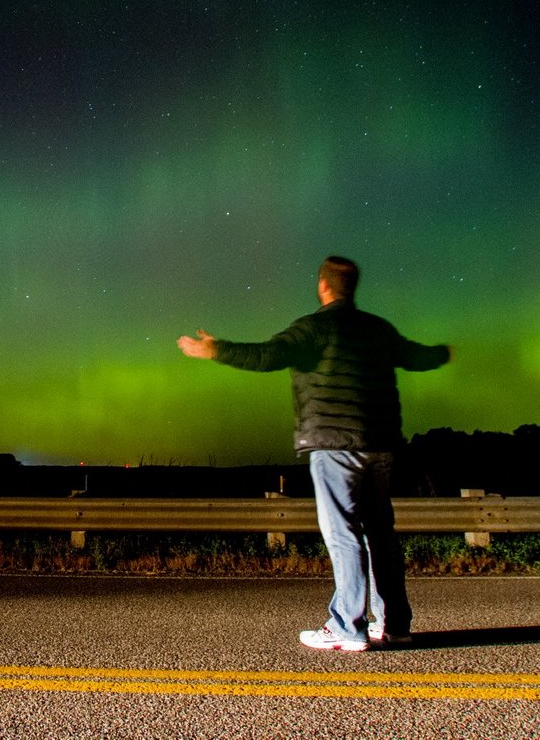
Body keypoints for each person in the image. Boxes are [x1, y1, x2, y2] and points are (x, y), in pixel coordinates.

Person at [177, 255, 452, 652]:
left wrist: (216, 350)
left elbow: (267, 356)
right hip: (380, 446)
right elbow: (416, 357)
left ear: (323, 286)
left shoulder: (314, 328)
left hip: (333, 445)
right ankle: (394, 624)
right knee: (380, 534)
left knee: (343, 534)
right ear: (351, 287)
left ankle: (347, 626)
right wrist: (446, 353)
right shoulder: (378, 329)